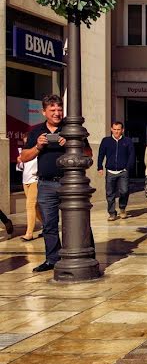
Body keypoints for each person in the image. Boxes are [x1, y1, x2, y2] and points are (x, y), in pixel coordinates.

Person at [20, 95, 68, 271]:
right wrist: (38, 147)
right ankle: (52, 259)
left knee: (76, 221)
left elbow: (88, 154)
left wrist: (69, 145)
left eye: (59, 109)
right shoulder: (36, 131)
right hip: (45, 184)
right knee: (49, 224)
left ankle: (85, 254)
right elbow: (24, 157)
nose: (57, 113)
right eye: (53, 110)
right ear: (44, 112)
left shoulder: (71, 128)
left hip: (69, 184)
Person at [97, 121, 135, 221]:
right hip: (110, 171)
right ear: (111, 129)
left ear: (122, 130)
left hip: (123, 171)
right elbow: (101, 154)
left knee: (124, 191)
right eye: (114, 129)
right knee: (110, 193)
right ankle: (112, 213)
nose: (116, 131)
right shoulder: (106, 141)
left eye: (118, 129)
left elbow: (131, 155)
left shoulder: (128, 141)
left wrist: (127, 167)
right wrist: (99, 167)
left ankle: (122, 208)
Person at [16, 152, 40, 241]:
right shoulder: (25, 151)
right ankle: (47, 226)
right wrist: (19, 162)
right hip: (25, 180)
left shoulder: (38, 150)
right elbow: (21, 168)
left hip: (35, 180)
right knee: (36, 208)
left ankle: (29, 233)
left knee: (30, 205)